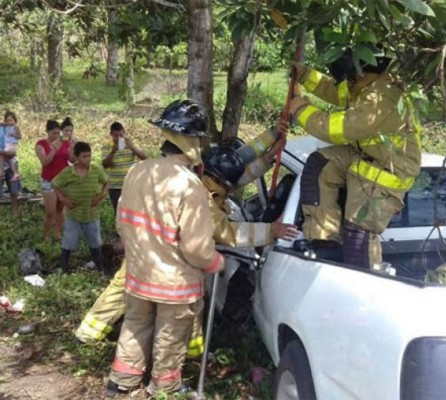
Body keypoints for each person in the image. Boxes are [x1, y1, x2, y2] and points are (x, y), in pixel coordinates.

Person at [75, 122, 298, 355]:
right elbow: (228, 233)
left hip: (146, 243)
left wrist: (272, 142)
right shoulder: (203, 196)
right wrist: (271, 231)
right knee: (165, 299)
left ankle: (93, 332)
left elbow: (240, 169)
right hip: (163, 253)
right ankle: (97, 334)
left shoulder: (204, 173)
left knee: (136, 288)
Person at [106, 99, 225, 397]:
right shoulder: (189, 184)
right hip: (175, 285)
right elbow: (196, 248)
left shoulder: (137, 171)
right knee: (170, 338)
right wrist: (214, 263)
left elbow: (121, 223)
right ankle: (165, 386)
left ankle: (122, 380)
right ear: (193, 141)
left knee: (134, 327)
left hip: (139, 275)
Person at [289, 47, 422, 269]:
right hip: (367, 156)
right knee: (320, 165)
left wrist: (302, 110)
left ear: (361, 72)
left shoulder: (380, 99)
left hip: (389, 170)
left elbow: (335, 128)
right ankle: (324, 240)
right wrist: (304, 74)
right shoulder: (367, 83)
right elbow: (334, 89)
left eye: (350, 76)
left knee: (358, 234)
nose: (348, 82)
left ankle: (365, 281)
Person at [53, 142, 109, 273]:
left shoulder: (96, 169)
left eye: (89, 156)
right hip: (74, 215)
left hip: (91, 214)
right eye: (84, 156)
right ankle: (64, 265)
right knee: (69, 241)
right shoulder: (68, 172)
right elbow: (55, 184)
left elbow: (107, 182)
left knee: (95, 241)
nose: (88, 159)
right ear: (77, 157)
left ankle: (99, 265)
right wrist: (63, 199)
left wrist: (102, 195)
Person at [35, 120, 74, 241]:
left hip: (62, 181)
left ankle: (58, 233)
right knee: (50, 212)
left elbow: (72, 160)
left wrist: (73, 147)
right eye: (53, 133)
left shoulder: (64, 143)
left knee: (60, 209)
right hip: (48, 180)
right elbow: (45, 162)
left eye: (58, 133)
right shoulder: (41, 144)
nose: (56, 136)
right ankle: (46, 235)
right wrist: (53, 149)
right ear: (47, 132)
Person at [102, 121, 147, 211]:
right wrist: (112, 152)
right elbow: (105, 165)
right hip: (115, 187)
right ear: (111, 134)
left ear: (124, 132)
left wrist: (132, 148)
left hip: (130, 184)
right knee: (118, 212)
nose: (119, 138)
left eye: (121, 135)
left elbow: (145, 158)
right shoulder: (107, 146)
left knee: (132, 211)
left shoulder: (131, 144)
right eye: (115, 135)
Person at [0, 111, 22, 182]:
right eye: (7, 121)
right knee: (8, 158)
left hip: (12, 145)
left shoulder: (15, 128)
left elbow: (20, 137)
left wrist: (14, 135)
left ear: (15, 121)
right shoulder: (5, 126)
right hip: (7, 145)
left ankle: (2, 172)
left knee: (2, 154)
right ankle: (14, 173)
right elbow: (2, 124)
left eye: (11, 120)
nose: (9, 122)